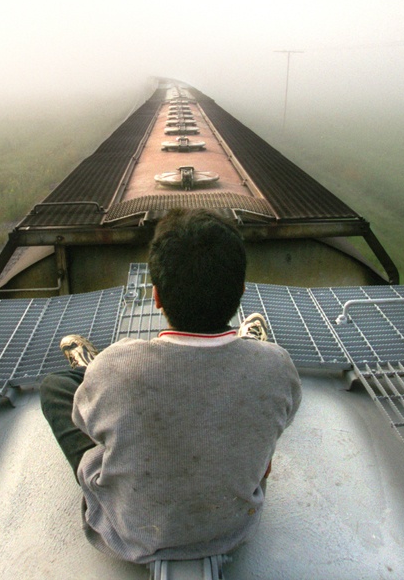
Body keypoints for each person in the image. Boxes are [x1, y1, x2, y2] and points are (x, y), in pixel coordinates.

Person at [39, 208, 302, 564]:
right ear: (240, 292)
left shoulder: (118, 364)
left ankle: (88, 370)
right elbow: (267, 454)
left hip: (128, 533)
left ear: (157, 296)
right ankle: (246, 342)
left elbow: (92, 430)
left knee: (58, 386)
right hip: (231, 530)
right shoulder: (277, 366)